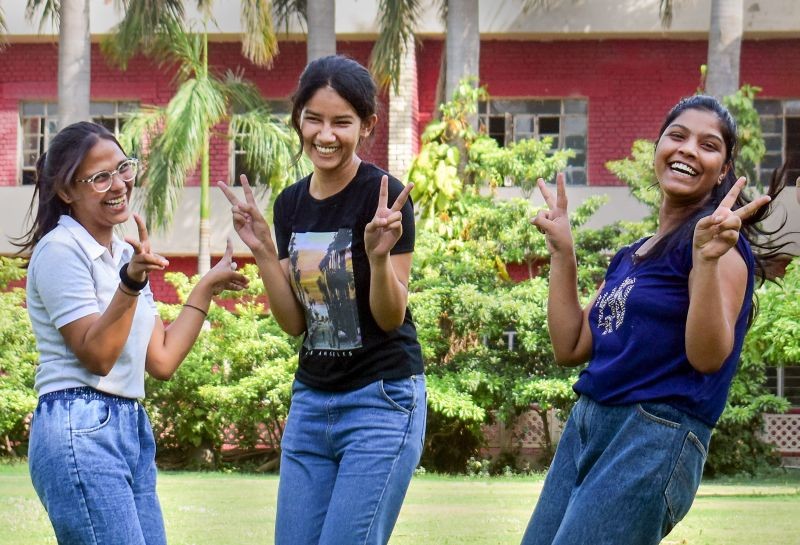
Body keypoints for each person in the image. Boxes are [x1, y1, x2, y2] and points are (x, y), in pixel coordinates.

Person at [522, 95, 790, 545]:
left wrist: (704, 261)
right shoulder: (633, 255)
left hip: (654, 432)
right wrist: (562, 253)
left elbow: (708, 357)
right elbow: (570, 346)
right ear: (658, 149)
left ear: (723, 171)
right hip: (588, 424)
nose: (688, 149)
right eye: (678, 136)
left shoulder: (718, 246)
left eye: (708, 145)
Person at [218, 54, 426, 545]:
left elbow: (391, 316)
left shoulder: (385, 196)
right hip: (312, 403)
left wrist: (378, 258)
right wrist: (266, 252)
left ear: (367, 125)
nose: (325, 134)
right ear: (298, 120)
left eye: (341, 122)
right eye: (313, 119)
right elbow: (296, 323)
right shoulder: (290, 203)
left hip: (380, 398)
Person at [19, 121, 248, 544]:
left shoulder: (126, 254)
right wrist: (130, 283)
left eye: (122, 168)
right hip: (79, 423)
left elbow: (161, 359)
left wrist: (205, 287)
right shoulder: (60, 251)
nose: (118, 184)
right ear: (67, 191)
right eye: (100, 177)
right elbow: (98, 355)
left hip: (129, 424)